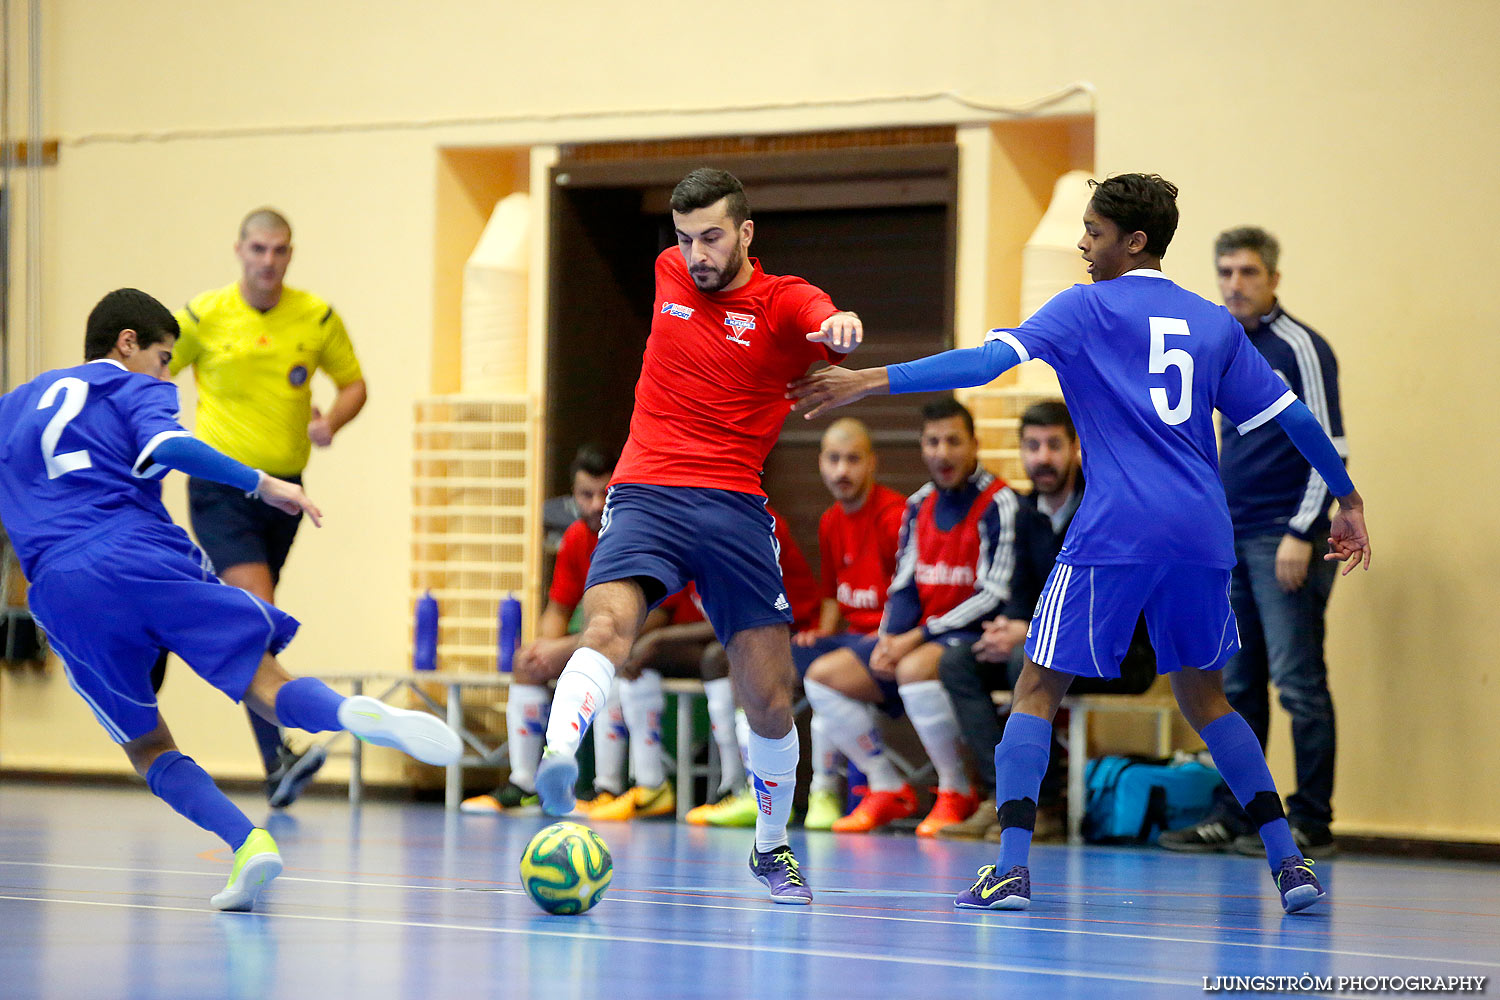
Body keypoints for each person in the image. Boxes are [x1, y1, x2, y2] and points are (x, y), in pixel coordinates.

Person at [789, 173, 1370, 915]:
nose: (1082, 243)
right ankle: (1291, 863)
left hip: (1118, 531)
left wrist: (870, 380)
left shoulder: (1084, 308)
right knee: (1206, 696)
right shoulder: (1213, 323)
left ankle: (1008, 868)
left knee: (1036, 687)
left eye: (1093, 231)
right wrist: (1346, 500)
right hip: (1201, 532)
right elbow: (1295, 421)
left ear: (1134, 241)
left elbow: (983, 364)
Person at [0, 288, 460, 912]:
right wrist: (263, 482)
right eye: (166, 359)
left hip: (61, 585)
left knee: (149, 747)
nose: (168, 373)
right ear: (128, 343)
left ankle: (247, 845)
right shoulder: (136, 388)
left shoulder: (14, 406)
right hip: (140, 553)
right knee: (264, 682)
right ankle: (352, 717)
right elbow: (166, 447)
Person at [531, 167, 863, 904]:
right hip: (646, 488)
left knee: (769, 696)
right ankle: (558, 756)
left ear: (746, 233)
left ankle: (772, 848)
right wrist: (682, 250)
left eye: (711, 237)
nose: (696, 255)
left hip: (735, 508)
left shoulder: (781, 303)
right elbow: (682, 263)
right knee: (609, 625)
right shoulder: (667, 270)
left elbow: (819, 318)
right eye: (685, 239)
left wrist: (837, 325)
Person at [169, 208, 369, 808]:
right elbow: (152, 369)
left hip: (286, 491)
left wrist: (331, 421)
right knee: (258, 611)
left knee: (255, 623)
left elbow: (355, 384)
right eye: (258, 249)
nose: (268, 261)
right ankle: (278, 751)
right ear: (239, 250)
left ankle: (275, 760)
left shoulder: (316, 316)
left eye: (279, 251)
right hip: (221, 487)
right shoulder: (204, 316)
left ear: (290, 254)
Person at [1159, 227, 1345, 858]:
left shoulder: (1302, 347)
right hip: (1228, 541)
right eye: (1225, 273)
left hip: (1283, 539)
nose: (1234, 284)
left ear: (1273, 279)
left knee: (1298, 684)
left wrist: (1301, 531)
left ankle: (1313, 820)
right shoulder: (1220, 341)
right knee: (1235, 686)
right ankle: (1239, 815)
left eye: (1247, 272)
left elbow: (1330, 446)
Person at [802, 399, 1018, 837]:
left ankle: (957, 790)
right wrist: (888, 636)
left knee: (914, 666)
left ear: (974, 444)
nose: (942, 452)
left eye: (953, 441)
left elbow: (993, 594)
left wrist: (915, 637)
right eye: (933, 442)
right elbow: (902, 584)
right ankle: (885, 784)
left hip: (977, 636)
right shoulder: (919, 505)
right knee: (820, 676)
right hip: (921, 637)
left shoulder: (1000, 502)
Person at [459, 444, 636, 817]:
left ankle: (607, 789)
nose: (594, 505)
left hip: (640, 644)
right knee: (527, 664)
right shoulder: (575, 537)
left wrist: (566, 648)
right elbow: (558, 609)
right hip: (595, 643)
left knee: (618, 673)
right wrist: (542, 651)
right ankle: (524, 783)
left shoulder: (639, 536)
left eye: (605, 493)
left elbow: (652, 621)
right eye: (585, 495)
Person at [781, 417, 905, 831]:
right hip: (849, 640)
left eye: (852, 460)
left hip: (887, 640)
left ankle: (875, 784)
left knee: (820, 682)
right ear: (820, 463)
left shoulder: (894, 516)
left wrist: (886, 634)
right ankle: (767, 789)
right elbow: (833, 594)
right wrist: (822, 629)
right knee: (773, 663)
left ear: (872, 463)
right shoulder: (831, 519)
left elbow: (910, 593)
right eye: (833, 460)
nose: (842, 471)